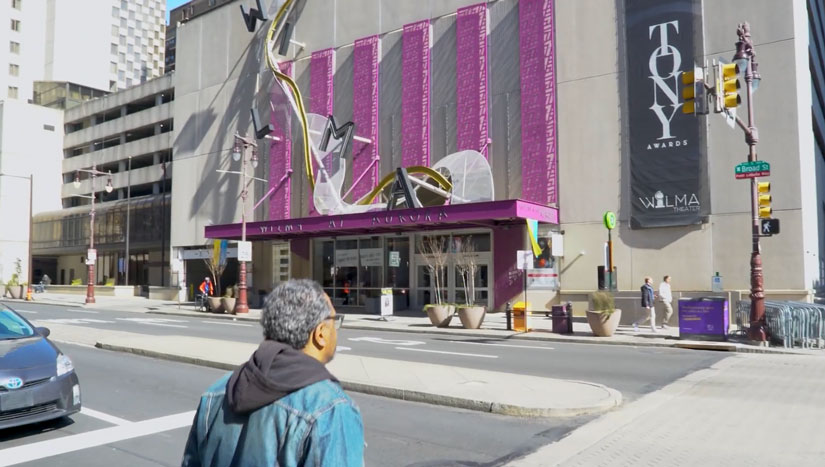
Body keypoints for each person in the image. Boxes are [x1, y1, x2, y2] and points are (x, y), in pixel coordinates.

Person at [182, 279, 364, 467]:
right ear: (320, 333)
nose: (336, 329)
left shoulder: (217, 393)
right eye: (334, 321)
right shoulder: (331, 408)